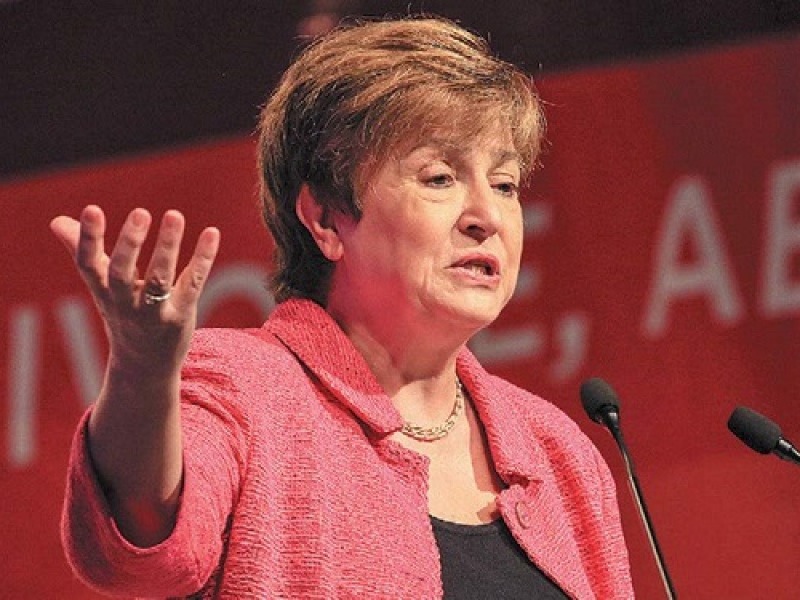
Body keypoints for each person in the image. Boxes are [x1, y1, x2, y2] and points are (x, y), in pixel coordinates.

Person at [52, 15, 633, 599]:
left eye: (505, 185)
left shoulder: (557, 453)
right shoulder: (244, 390)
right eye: (439, 178)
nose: (487, 216)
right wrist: (141, 372)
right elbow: (140, 546)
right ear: (327, 219)